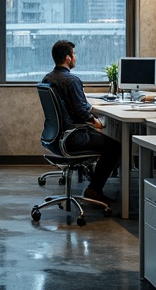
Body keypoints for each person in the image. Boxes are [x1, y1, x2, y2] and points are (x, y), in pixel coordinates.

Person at [43, 40, 121, 206]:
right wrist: (96, 122)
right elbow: (82, 112)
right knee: (115, 147)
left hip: (55, 137)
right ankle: (94, 189)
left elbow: (74, 107)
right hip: (73, 138)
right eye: (74, 54)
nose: (75, 57)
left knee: (106, 143)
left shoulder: (48, 78)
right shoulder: (72, 81)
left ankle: (93, 181)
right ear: (68, 58)